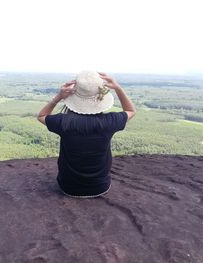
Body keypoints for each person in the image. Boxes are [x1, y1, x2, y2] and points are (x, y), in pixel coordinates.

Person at [37, 70, 136, 198]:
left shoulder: (64, 122)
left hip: (68, 187)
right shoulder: (110, 122)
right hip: (100, 187)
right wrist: (118, 88)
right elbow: (130, 110)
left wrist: (58, 97)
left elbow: (41, 116)